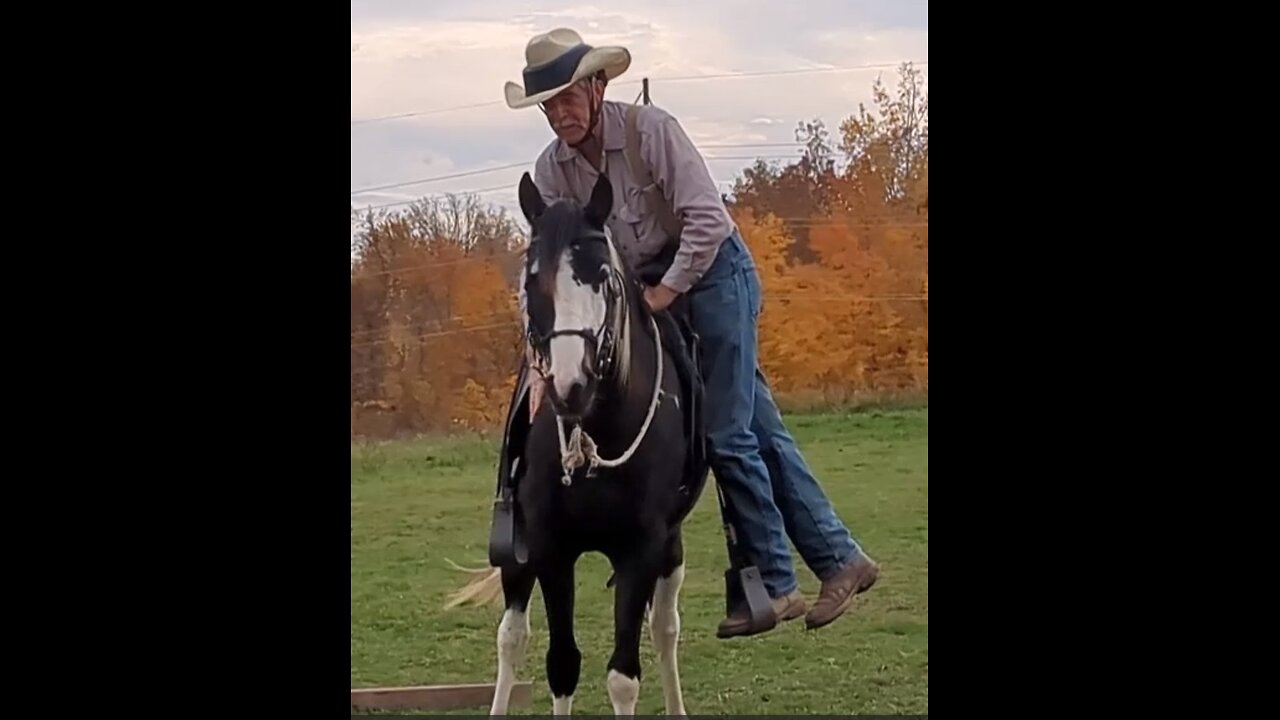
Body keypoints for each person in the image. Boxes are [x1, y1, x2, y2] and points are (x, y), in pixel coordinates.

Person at [503, 27, 879, 638]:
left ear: (599, 87)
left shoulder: (651, 132)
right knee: (757, 425)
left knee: (727, 432)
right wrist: (541, 362)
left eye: (569, 97)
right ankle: (841, 559)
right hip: (652, 286)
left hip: (714, 274)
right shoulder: (552, 172)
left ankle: (776, 586)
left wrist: (663, 294)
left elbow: (707, 220)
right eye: (548, 105)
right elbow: (548, 273)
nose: (559, 114)